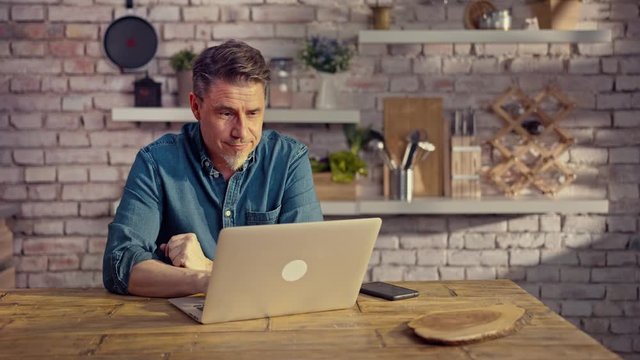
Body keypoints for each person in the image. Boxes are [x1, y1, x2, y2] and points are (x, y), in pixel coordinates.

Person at [103, 40, 323, 297]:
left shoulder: (288, 160)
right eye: (226, 114)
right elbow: (119, 267)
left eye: (253, 113)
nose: (241, 132)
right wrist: (205, 280)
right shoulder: (156, 163)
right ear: (196, 107)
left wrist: (209, 266)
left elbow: (307, 265)